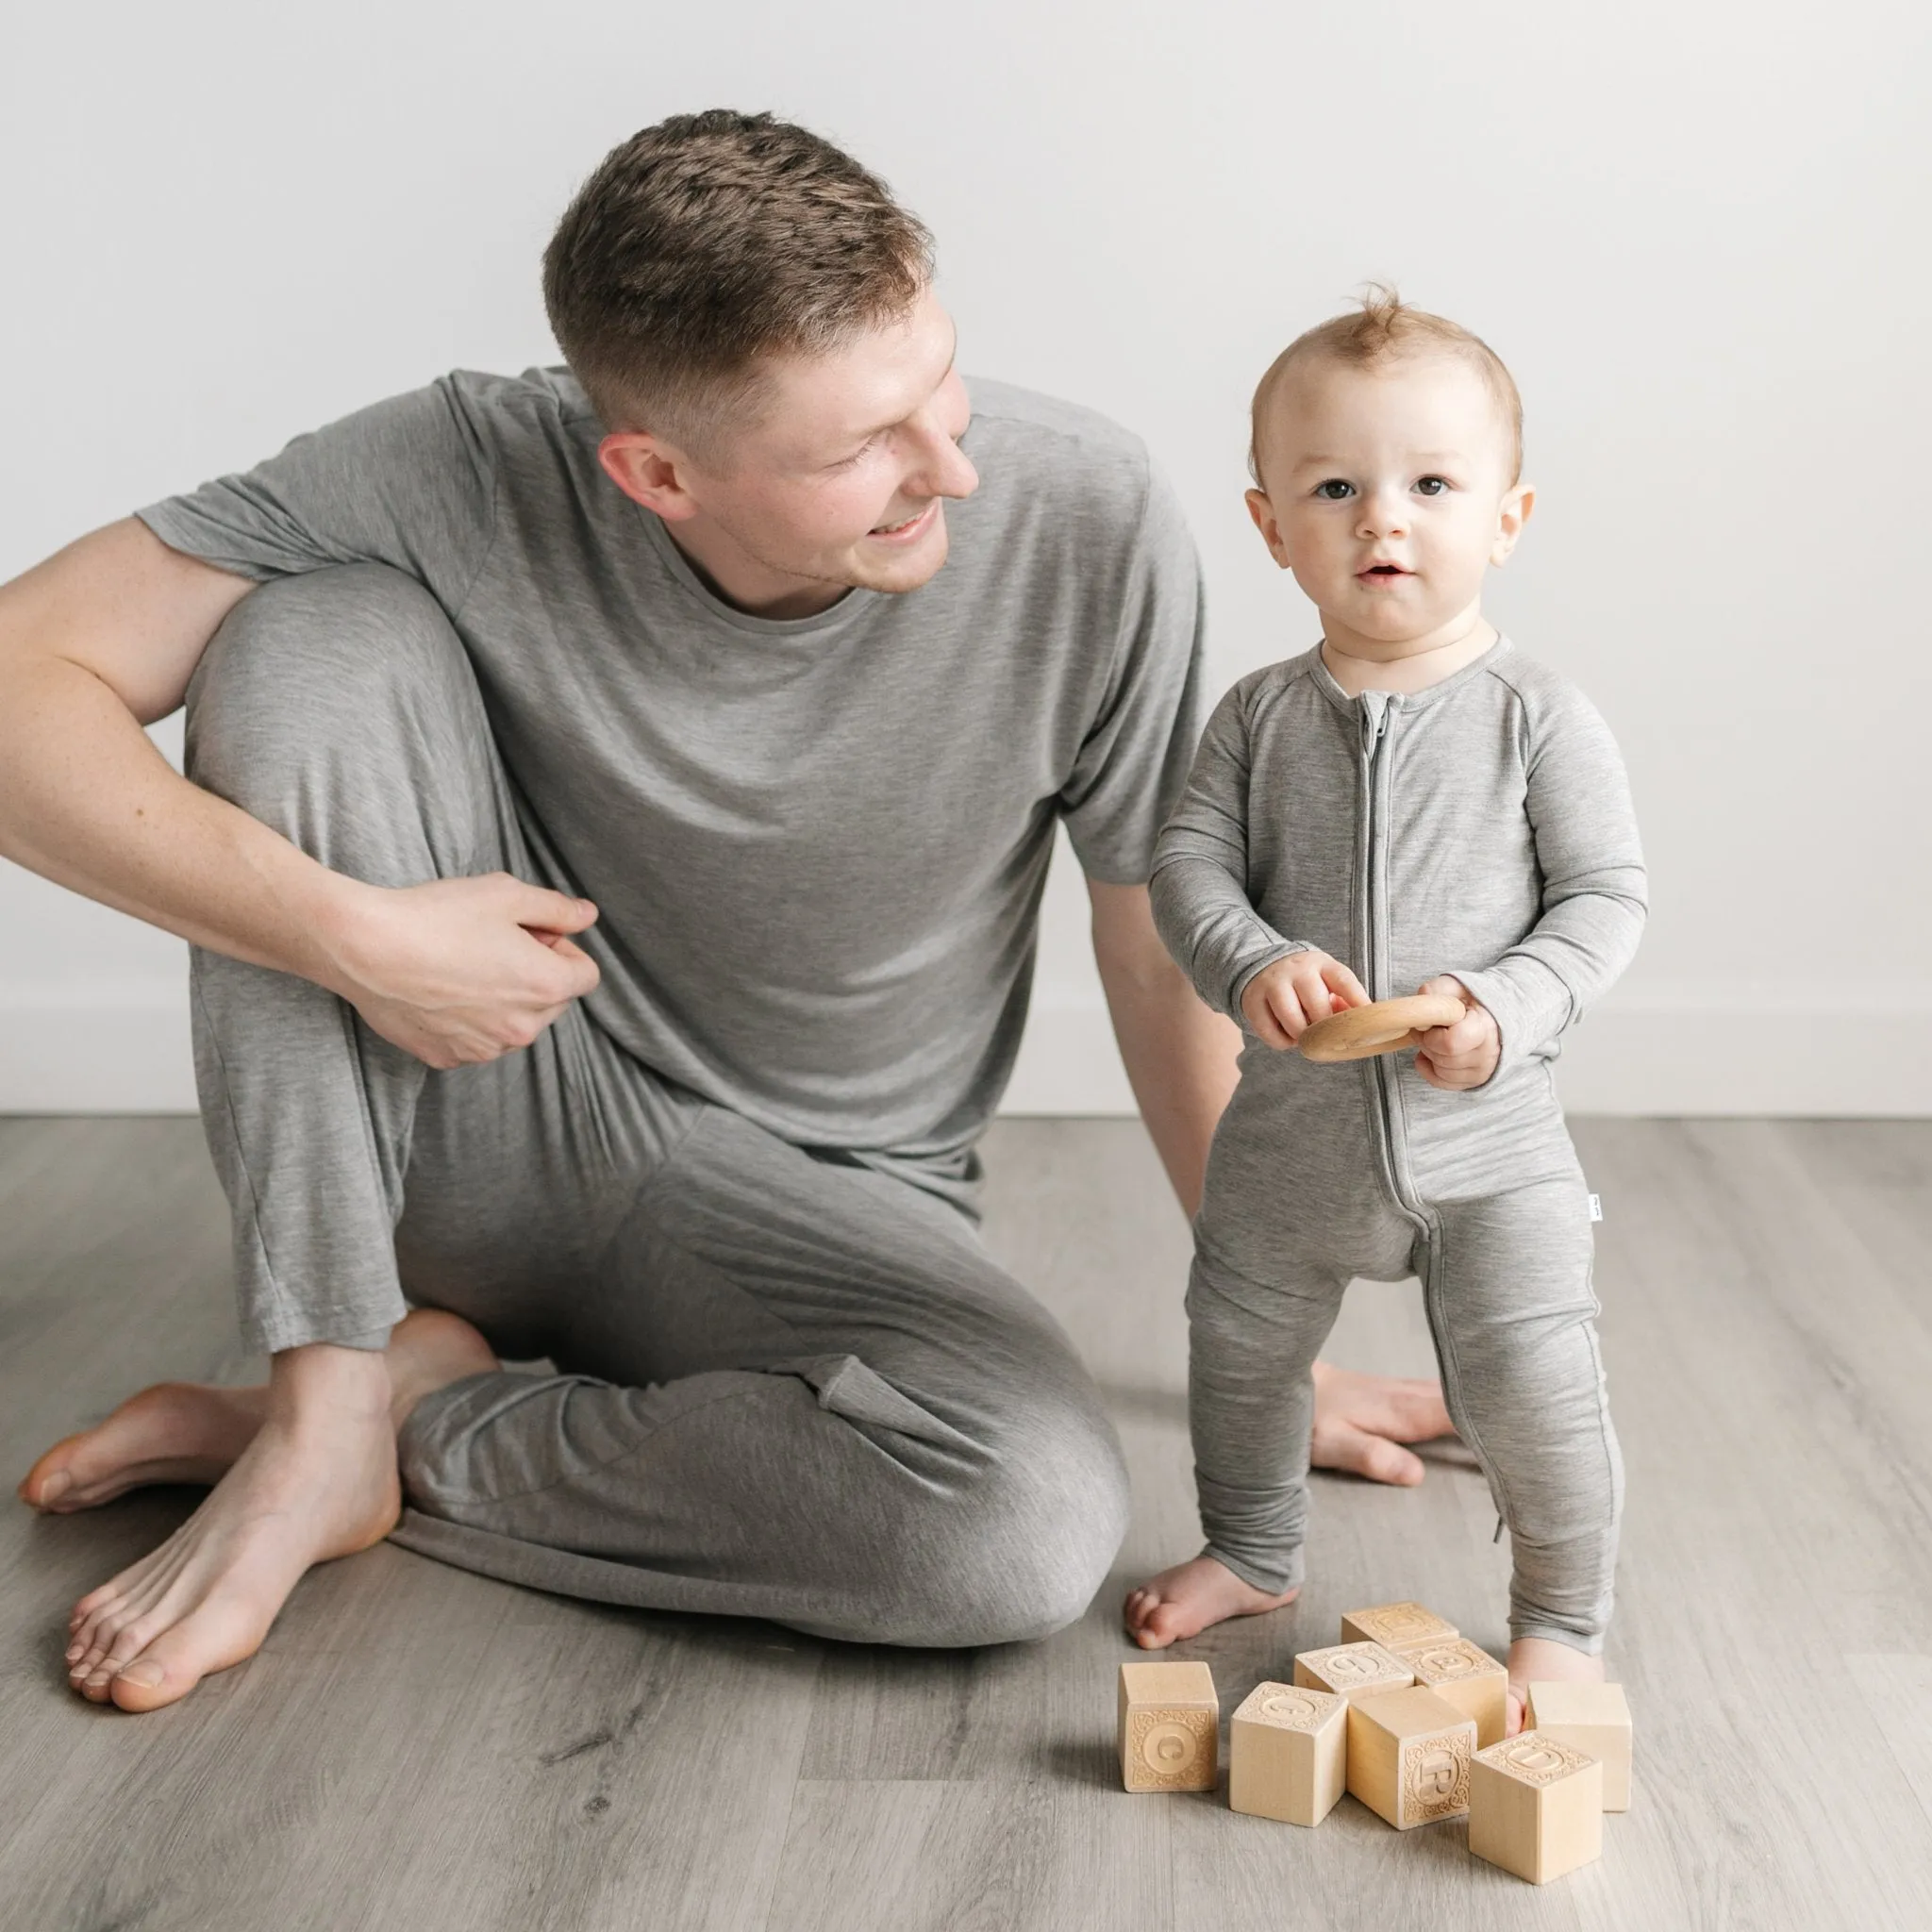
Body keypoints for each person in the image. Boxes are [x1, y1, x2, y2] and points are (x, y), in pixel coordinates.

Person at [2, 113, 1449, 1715]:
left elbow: (1150, 941)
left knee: (1019, 1523)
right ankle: (328, 1385)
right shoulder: (453, 466)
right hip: (479, 1100)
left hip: (818, 1208)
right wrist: (358, 937)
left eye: (939, 383)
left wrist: (1269, 1346)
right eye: (860, 450)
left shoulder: (1086, 522)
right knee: (303, 640)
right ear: (655, 473)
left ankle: (391, 1433)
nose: (949, 467)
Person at [1123, 292, 1645, 1727]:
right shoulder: (1255, 719)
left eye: (1429, 485)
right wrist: (1250, 960)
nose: (1382, 521)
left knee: (1537, 1390)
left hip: (1492, 1151)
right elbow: (1185, 868)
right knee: (1236, 1356)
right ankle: (1250, 1547)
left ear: (1510, 515)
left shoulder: (1540, 716)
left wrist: (1503, 1004)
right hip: (1289, 1147)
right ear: (1270, 523)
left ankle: (1559, 1617)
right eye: (1335, 489)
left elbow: (1605, 900)